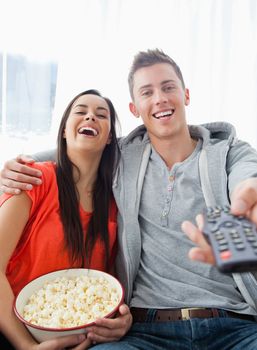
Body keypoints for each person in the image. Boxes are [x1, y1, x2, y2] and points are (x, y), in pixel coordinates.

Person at [1, 49, 257, 349]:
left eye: (168, 87)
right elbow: (80, 148)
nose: (159, 98)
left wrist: (245, 198)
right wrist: (19, 164)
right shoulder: (126, 156)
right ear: (135, 108)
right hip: (148, 330)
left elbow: (247, 178)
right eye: (147, 92)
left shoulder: (229, 152)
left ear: (186, 94)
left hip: (233, 324)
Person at [0, 89, 132, 350]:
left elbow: (107, 287)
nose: (90, 117)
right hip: (10, 330)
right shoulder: (33, 179)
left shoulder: (115, 206)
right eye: (80, 112)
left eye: (101, 115)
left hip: (80, 339)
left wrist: (122, 320)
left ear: (109, 139)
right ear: (63, 131)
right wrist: (26, 346)